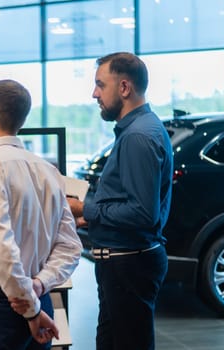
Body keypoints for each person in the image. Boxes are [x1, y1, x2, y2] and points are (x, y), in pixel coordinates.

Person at [67, 52, 173, 350]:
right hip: (123, 265)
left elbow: (141, 213)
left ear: (124, 88)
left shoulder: (138, 137)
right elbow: (130, 200)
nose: (94, 94)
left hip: (130, 265)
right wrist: (93, 216)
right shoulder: (136, 131)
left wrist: (84, 209)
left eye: (100, 85)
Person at [0, 79, 82, 350]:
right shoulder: (49, 171)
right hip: (39, 297)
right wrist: (39, 286)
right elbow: (71, 247)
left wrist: (30, 309)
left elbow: (2, 246)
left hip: (4, 306)